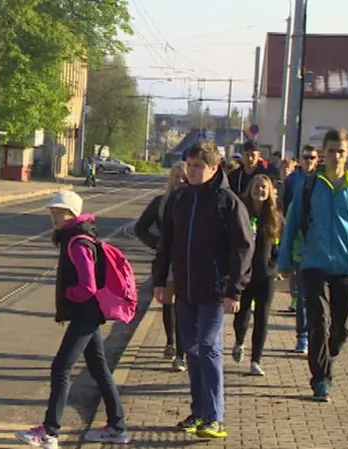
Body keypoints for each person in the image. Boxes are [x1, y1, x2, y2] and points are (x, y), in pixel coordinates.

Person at [152, 141, 254, 439]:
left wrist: (234, 290)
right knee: (192, 349)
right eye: (190, 165)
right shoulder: (180, 199)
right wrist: (160, 281)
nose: (192, 171)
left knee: (208, 346)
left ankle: (215, 416)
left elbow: (243, 248)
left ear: (213, 168)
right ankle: (199, 411)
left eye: (198, 166)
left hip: (214, 288)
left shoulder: (228, 201)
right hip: (186, 289)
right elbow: (166, 244)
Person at [16, 191, 130, 447]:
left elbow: (87, 286)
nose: (55, 216)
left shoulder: (77, 242)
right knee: (99, 368)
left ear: (73, 215)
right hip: (89, 313)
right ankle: (117, 427)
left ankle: (50, 431)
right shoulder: (76, 237)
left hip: (85, 314)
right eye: (52, 212)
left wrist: (69, 294)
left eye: (61, 212)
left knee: (61, 367)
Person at [278, 128, 348, 402]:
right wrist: (285, 260)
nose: (335, 156)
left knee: (344, 326)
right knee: (317, 321)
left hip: (347, 265)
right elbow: (292, 225)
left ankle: (330, 352)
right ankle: (321, 378)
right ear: (323, 153)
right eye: (331, 150)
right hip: (313, 262)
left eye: (340, 151)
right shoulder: (309, 186)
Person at [134, 161, 187, 372]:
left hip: (189, 260)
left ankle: (181, 354)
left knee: (183, 306)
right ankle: (170, 342)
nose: (181, 181)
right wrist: (157, 243)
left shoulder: (195, 201)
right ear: (171, 179)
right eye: (177, 177)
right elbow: (140, 228)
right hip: (167, 260)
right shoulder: (160, 202)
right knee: (169, 302)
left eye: (184, 177)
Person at [231, 175, 283, 376]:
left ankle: (255, 360)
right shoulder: (242, 211)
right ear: (250, 189)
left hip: (266, 275)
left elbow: (282, 242)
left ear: (269, 191)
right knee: (241, 315)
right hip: (245, 274)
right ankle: (239, 341)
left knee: (262, 316)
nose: (259, 190)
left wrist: (276, 264)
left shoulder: (274, 215)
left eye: (263, 187)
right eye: (256, 187)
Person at [281, 145, 319, 346]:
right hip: (298, 244)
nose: (309, 160)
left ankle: (316, 334)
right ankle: (302, 337)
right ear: (299, 160)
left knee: (314, 298)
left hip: (319, 248)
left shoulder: (322, 181)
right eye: (305, 157)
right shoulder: (292, 180)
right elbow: (286, 208)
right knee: (302, 295)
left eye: (312, 157)